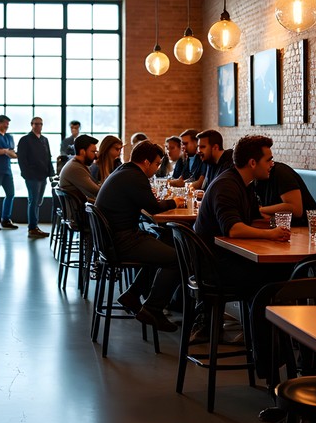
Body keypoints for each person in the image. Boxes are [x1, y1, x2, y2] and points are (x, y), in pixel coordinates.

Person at [94, 141, 181, 331]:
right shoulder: (135, 177)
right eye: (157, 164)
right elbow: (153, 208)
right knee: (177, 259)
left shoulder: (124, 171)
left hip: (112, 240)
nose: (157, 168)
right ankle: (153, 309)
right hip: (122, 241)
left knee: (166, 237)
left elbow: (146, 202)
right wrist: (175, 201)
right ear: (147, 162)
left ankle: (132, 295)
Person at [193, 135, 291, 288]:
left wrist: (281, 226)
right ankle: (265, 311)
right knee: (281, 271)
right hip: (214, 265)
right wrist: (271, 234)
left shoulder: (244, 183)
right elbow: (233, 229)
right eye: (268, 160)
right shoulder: (226, 186)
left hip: (225, 257)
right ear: (252, 163)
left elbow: (255, 219)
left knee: (284, 269)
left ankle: (263, 310)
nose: (272, 164)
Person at [17, 116, 53, 238]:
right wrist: (25, 173)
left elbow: (48, 157)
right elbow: (22, 159)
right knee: (33, 201)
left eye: (40, 124)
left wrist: (51, 174)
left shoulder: (44, 139)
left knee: (38, 201)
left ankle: (35, 226)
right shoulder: (25, 140)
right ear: (31, 124)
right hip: (32, 176)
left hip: (43, 175)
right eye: (36, 124)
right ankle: (32, 227)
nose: (38, 126)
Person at [254, 160, 316, 227]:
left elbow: (296, 210)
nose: (272, 164)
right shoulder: (252, 181)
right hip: (281, 230)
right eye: (268, 160)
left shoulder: (280, 172)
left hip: (306, 229)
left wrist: (260, 210)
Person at [59, 134, 100, 203]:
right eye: (93, 152)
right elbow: (96, 191)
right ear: (82, 152)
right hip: (81, 211)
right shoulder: (75, 168)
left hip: (80, 209)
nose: (96, 156)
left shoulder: (77, 164)